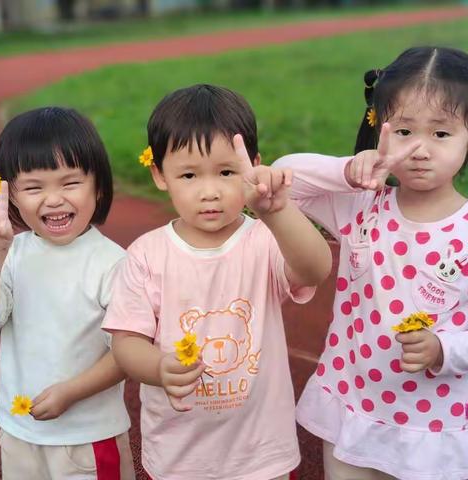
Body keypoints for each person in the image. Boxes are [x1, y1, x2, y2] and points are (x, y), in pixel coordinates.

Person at [102, 84, 333, 480]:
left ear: (253, 166)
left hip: (263, 455)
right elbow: (125, 342)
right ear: (159, 174)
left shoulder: (265, 238)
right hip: (179, 456)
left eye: (227, 172)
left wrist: (279, 213)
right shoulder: (146, 254)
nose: (209, 191)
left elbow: (315, 269)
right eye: (189, 175)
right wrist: (158, 367)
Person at [273, 46, 468, 480]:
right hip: (353, 407)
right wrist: (347, 171)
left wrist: (444, 349)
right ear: (378, 128)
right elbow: (286, 176)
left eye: (441, 134)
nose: (419, 150)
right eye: (403, 131)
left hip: (433, 425)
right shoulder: (360, 205)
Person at [0, 107, 134, 479]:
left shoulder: (112, 263)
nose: (53, 200)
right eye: (34, 187)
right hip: (19, 431)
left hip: (87, 438)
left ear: (98, 185)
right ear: (12, 196)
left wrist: (72, 391)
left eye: (70, 183)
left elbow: (128, 352)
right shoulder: (14, 254)